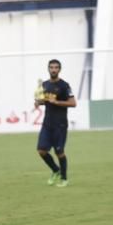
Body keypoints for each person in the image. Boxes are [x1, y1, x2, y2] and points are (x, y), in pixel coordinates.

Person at [34, 59, 76, 187]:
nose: (53, 69)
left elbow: (73, 103)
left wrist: (57, 102)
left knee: (59, 153)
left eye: (56, 67)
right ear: (48, 69)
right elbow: (43, 100)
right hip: (47, 124)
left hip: (60, 125)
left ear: (59, 69)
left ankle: (64, 178)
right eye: (51, 67)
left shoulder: (64, 86)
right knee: (41, 150)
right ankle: (55, 170)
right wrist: (38, 102)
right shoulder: (45, 85)